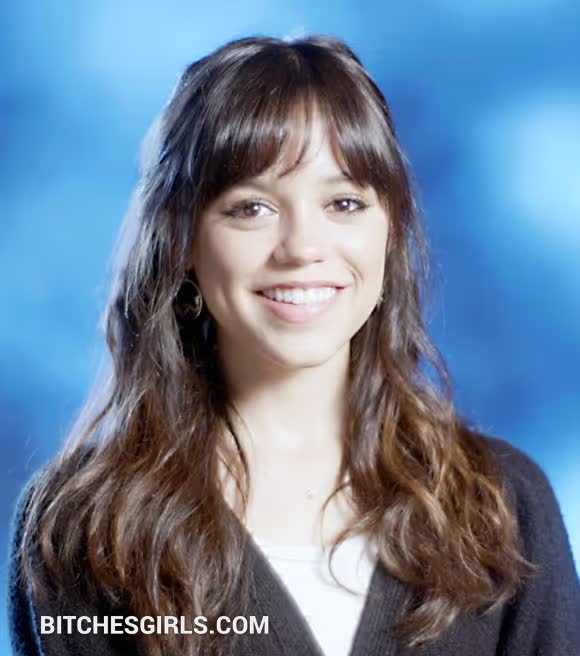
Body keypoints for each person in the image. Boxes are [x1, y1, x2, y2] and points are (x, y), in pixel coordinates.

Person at [8, 34, 580, 656]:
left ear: (389, 232)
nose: (303, 247)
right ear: (182, 240)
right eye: (251, 208)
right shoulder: (85, 529)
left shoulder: (502, 506)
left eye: (344, 202)